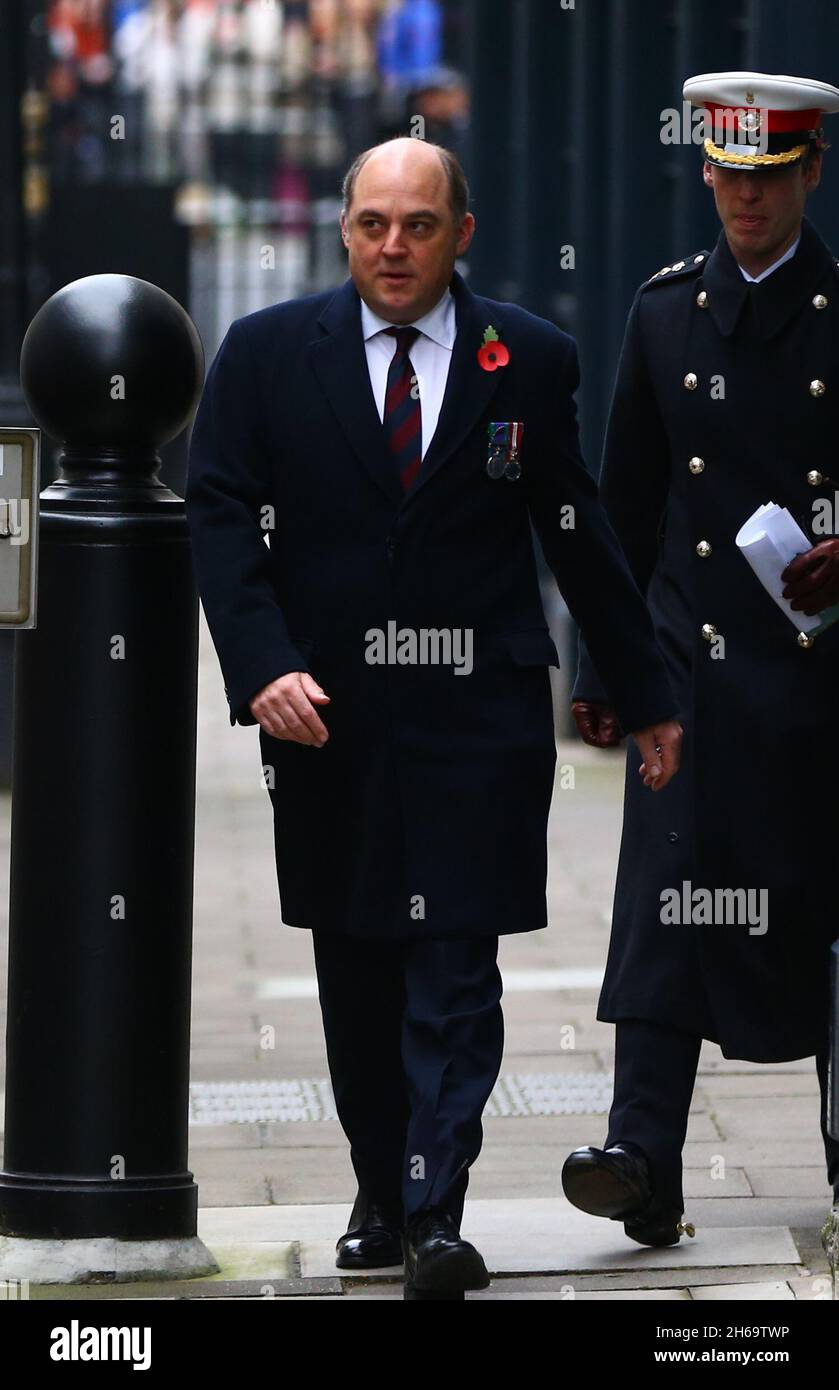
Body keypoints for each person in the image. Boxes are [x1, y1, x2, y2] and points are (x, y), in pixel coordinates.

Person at [185, 136, 681, 1299]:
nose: (392, 246)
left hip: (477, 723)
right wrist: (261, 665)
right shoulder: (265, 358)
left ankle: (433, 1209)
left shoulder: (530, 357)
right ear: (343, 230)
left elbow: (578, 532)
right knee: (357, 974)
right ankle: (377, 1186)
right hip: (328, 723)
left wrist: (645, 693)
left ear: (461, 232)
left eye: (417, 224)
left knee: (456, 970)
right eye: (371, 223)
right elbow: (216, 512)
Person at [563, 71, 839, 1247]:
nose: (745, 199)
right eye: (728, 175)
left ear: (806, 175)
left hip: (822, 680)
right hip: (690, 668)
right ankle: (641, 1159)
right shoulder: (662, 311)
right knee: (664, 907)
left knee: (825, 924)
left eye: (768, 178)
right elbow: (618, 506)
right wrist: (598, 671)